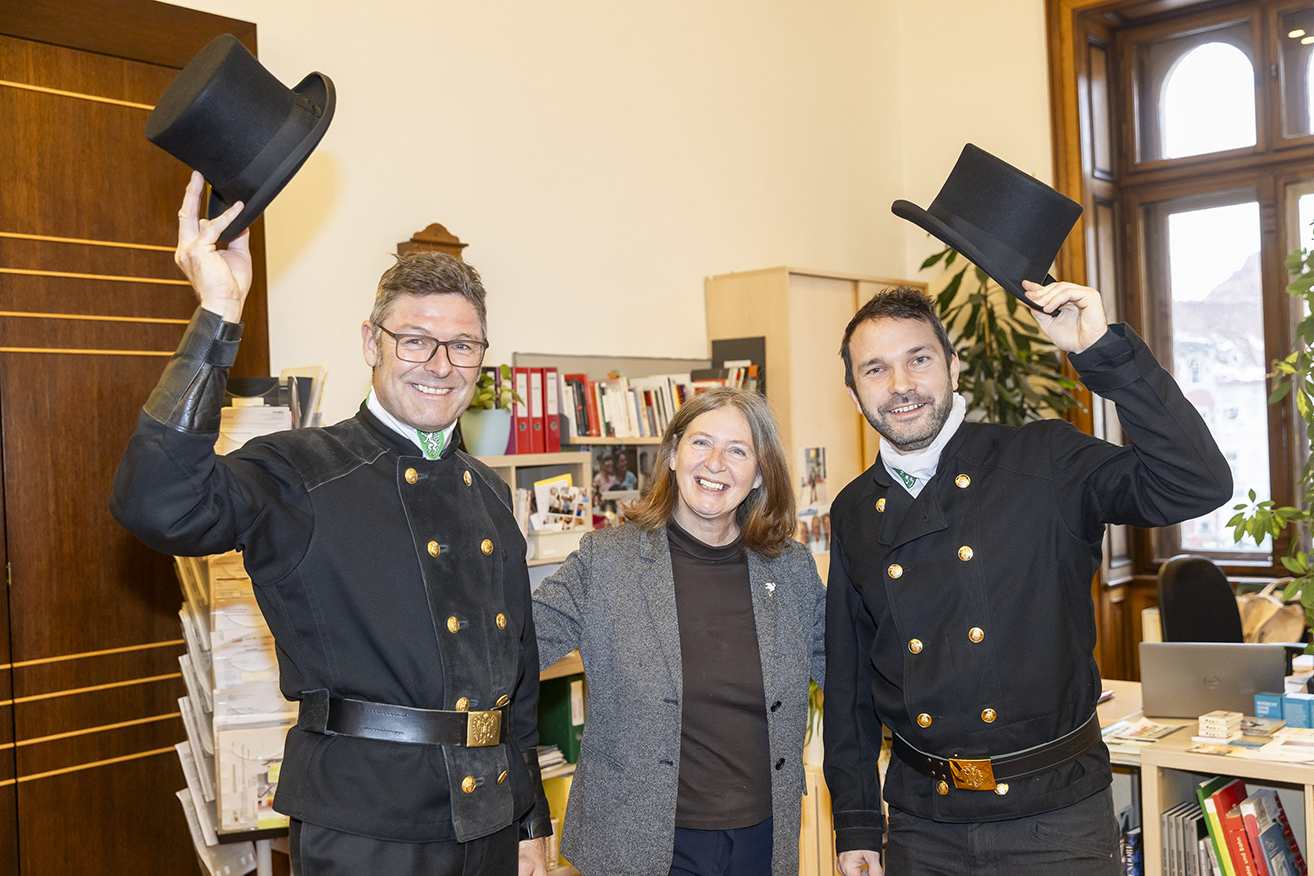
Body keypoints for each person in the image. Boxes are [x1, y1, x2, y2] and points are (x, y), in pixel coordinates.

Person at [110, 173, 551, 875]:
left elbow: (516, 680)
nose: (440, 366)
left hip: (491, 827)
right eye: (415, 341)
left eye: (463, 346)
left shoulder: (488, 495)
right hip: (367, 829)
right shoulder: (300, 471)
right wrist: (219, 313)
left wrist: (530, 817)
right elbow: (158, 504)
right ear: (370, 342)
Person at [824, 283, 1232, 876]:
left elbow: (1196, 483)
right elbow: (851, 678)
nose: (901, 385)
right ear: (854, 390)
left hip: (1055, 822)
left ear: (953, 365)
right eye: (876, 369)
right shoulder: (855, 509)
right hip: (921, 825)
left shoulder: (1043, 459)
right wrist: (857, 821)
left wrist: (1101, 352)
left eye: (919, 359)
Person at [532, 387, 826, 876]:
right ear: (671, 454)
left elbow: (850, 672)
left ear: (758, 474)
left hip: (763, 840)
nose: (716, 463)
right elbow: (513, 651)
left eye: (738, 450)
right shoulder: (608, 562)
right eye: (700, 443)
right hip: (641, 844)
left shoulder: (791, 569)